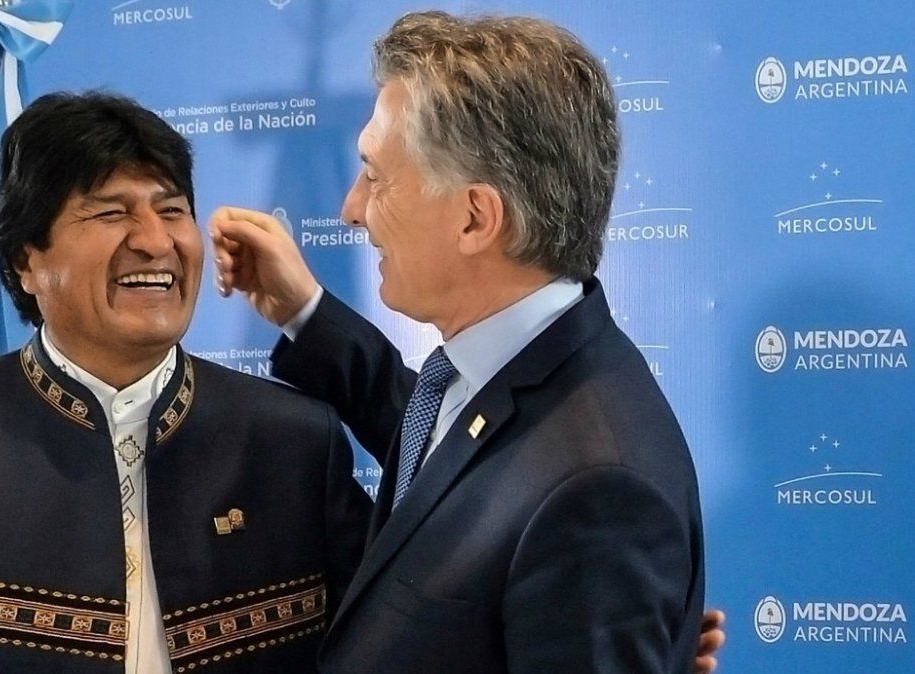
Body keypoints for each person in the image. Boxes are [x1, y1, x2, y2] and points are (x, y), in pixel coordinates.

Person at [0, 91, 372, 674]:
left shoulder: (293, 437)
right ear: (27, 259)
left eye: (172, 210)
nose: (155, 241)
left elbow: (383, 640)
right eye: (111, 213)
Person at [212, 11, 710, 672]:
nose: (351, 210)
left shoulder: (598, 493)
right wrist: (303, 311)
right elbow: (449, 459)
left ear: (474, 218)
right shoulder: (511, 379)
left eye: (376, 176)